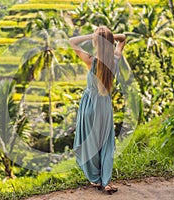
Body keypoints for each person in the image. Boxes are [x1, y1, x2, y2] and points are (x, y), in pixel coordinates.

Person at [69, 26, 126, 194]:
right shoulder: (115, 58)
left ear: (95, 43)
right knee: (106, 144)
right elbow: (123, 38)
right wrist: (106, 37)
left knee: (90, 143)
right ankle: (106, 181)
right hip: (105, 108)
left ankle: (95, 179)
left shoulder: (91, 60)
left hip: (89, 106)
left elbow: (71, 42)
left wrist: (94, 36)